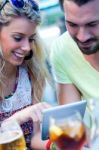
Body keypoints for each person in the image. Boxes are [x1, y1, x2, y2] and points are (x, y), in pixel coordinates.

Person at [0, 0, 52, 149]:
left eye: (31, 39)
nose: (27, 47)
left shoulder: (32, 72)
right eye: (18, 37)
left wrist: (57, 145)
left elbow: (35, 139)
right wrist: (17, 119)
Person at [50, 0, 99, 132]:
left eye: (92, 24)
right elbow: (71, 125)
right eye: (72, 24)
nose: (82, 37)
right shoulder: (62, 49)